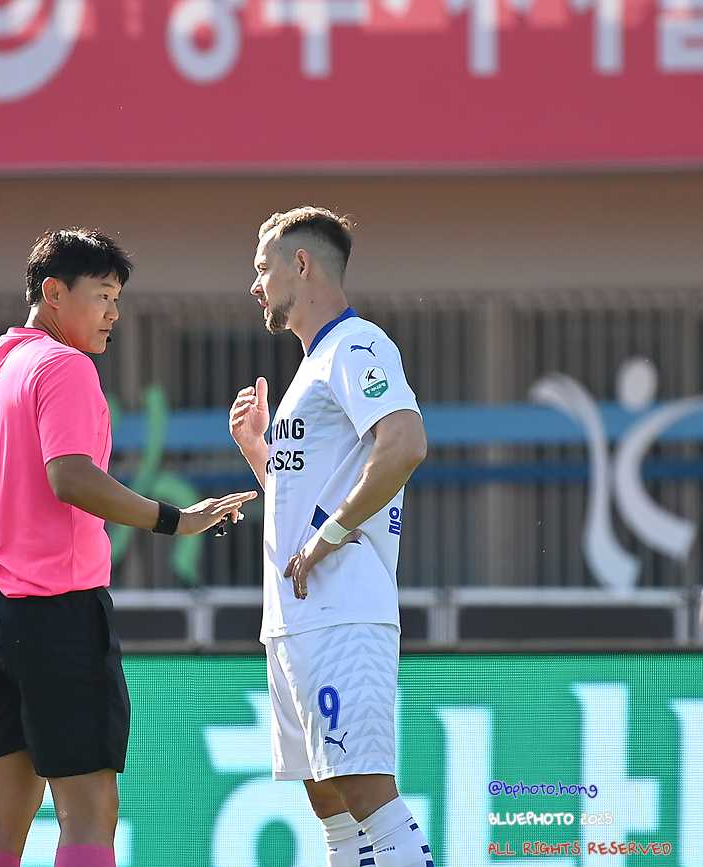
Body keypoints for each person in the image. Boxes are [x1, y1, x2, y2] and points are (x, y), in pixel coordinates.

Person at [0, 228, 257, 867]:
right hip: (54, 611)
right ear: (53, 293)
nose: (113, 314)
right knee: (90, 810)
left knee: (1, 819)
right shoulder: (65, 365)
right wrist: (176, 521)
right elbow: (71, 477)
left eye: (117, 299)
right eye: (102, 296)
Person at [228, 208, 431, 867]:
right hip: (296, 618)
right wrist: (259, 453)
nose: (255, 284)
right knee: (333, 812)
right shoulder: (312, 367)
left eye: (263, 268)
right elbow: (307, 495)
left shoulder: (355, 345)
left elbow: (405, 443)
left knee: (368, 796)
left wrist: (331, 536)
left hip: (342, 611)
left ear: (302, 265)